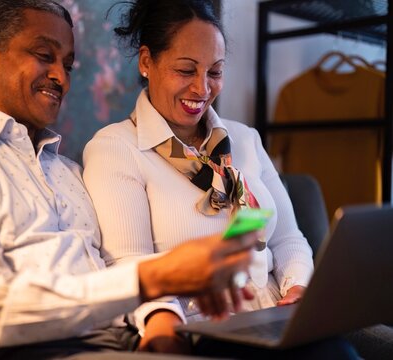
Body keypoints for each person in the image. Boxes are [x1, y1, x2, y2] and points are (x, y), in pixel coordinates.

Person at [0, 1, 259, 359]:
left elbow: (114, 269)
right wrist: (156, 275)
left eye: (68, 64)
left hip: (119, 343)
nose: (60, 76)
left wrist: (162, 317)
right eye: (44, 56)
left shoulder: (67, 172)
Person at [82, 0, 314, 353]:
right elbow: (127, 265)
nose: (202, 89)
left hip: (277, 321)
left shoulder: (245, 140)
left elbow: (287, 239)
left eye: (215, 72)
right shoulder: (116, 148)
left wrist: (297, 290)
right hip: (204, 329)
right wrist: (165, 326)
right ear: (147, 62)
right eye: (186, 71)